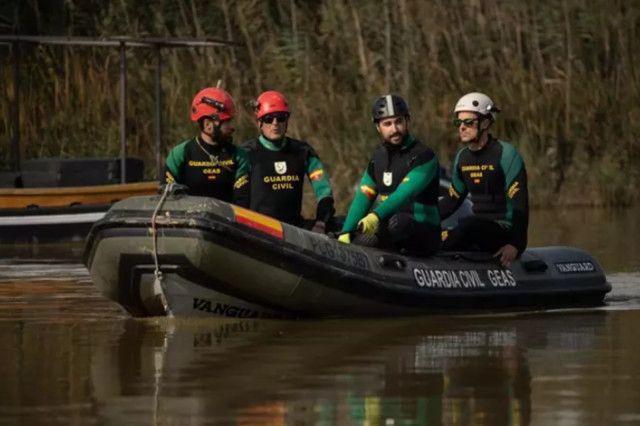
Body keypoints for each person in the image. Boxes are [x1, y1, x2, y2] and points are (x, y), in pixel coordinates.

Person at [337, 94, 441, 257]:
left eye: (399, 121)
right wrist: (346, 232)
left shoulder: (424, 156)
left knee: (397, 223)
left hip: (422, 230)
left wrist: (375, 216)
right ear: (378, 127)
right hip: (389, 227)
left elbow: (403, 194)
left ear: (408, 120)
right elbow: (363, 197)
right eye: (387, 124)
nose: (394, 129)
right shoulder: (377, 160)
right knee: (354, 234)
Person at [439, 92, 529, 268]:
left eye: (468, 122)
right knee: (457, 226)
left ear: (486, 123)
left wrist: (516, 245)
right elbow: (451, 201)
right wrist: (422, 217)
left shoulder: (506, 154)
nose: (462, 128)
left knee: (469, 224)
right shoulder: (462, 158)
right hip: (475, 229)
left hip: (502, 230)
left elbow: (520, 205)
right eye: (458, 122)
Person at [241, 91, 335, 233]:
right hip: (257, 231)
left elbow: (324, 190)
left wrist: (321, 222)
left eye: (280, 118)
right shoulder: (246, 153)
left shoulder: (303, 151)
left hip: (293, 230)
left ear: (287, 120)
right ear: (259, 122)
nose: (275, 124)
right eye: (268, 119)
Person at [164, 87, 250, 207]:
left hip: (226, 223)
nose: (232, 127)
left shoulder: (239, 156)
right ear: (208, 124)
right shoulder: (180, 154)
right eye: (227, 122)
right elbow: (167, 201)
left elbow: (242, 203)